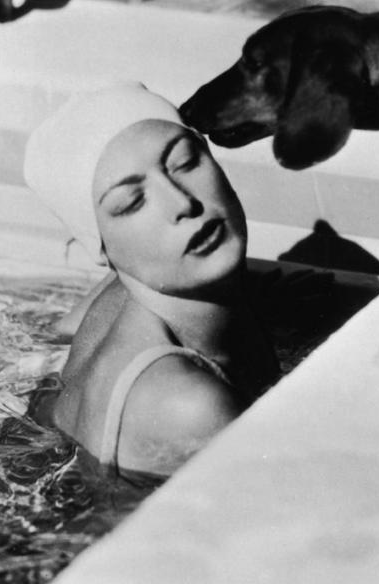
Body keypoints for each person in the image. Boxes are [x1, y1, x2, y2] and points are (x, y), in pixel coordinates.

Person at [23, 83, 279, 479]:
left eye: (184, 162)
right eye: (132, 203)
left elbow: (61, 331)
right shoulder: (189, 405)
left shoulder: (130, 288)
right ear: (102, 248)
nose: (183, 203)